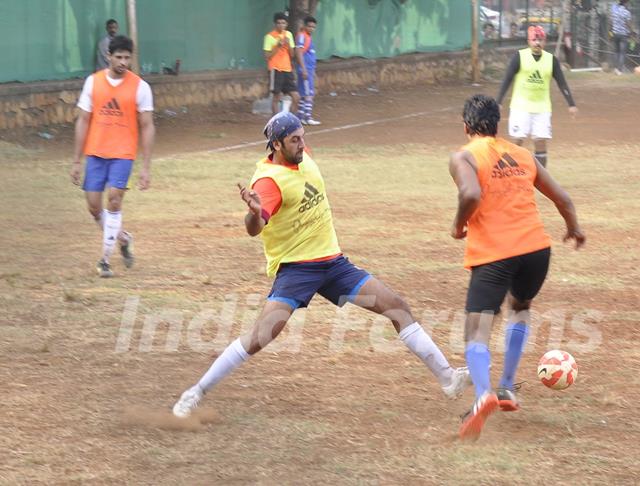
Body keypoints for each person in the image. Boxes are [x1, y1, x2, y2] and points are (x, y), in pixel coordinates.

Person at [172, 112, 472, 418]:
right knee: (261, 336)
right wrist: (253, 212)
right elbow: (255, 228)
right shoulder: (269, 183)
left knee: (396, 307)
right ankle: (196, 392)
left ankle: (448, 378)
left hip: (333, 266)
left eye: (303, 136)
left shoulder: (301, 156)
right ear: (276, 144)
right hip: (298, 270)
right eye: (294, 139)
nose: (302, 144)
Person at [448, 94, 585, 440]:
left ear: (465, 126)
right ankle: (507, 386)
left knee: (475, 330)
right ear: (498, 125)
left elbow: (471, 196)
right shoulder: (523, 154)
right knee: (520, 307)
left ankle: (484, 395)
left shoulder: (463, 155)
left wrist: (458, 225)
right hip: (536, 251)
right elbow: (563, 198)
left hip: (497, 253)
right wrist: (574, 228)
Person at [70, 35, 155, 278]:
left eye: (127, 57)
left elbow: (147, 125)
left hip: (123, 154)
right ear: (109, 56)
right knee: (94, 208)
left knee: (115, 201)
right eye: (119, 57)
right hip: (95, 153)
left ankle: (105, 260)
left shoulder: (141, 87)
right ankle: (122, 237)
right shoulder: (93, 83)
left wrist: (146, 167)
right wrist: (77, 161)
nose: (123, 62)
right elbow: (83, 120)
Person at [496, 26, 578, 168]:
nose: (537, 43)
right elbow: (507, 79)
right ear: (528, 41)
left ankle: (541, 178)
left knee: (540, 141)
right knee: (517, 140)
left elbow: (562, 83)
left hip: (542, 108)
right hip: (520, 107)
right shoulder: (519, 57)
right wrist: (499, 101)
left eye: (540, 40)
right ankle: (505, 173)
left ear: (544, 41)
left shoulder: (551, 60)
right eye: (534, 40)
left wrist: (571, 104)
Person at [263, 12, 300, 115]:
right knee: (276, 97)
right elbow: (267, 56)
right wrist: (278, 46)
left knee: (296, 97)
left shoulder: (288, 35)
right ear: (275, 24)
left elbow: (292, 54)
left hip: (287, 69)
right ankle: (276, 122)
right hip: (275, 69)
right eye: (278, 23)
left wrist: (288, 45)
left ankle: (290, 120)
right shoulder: (269, 37)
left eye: (283, 23)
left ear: (286, 24)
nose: (281, 25)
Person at [295, 15, 321, 125]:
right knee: (309, 94)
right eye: (309, 26)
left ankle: (301, 117)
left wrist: (312, 71)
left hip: (309, 70)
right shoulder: (302, 36)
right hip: (305, 70)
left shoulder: (308, 37)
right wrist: (304, 69)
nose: (311, 29)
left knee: (303, 93)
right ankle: (308, 117)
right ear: (305, 26)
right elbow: (299, 52)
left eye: (313, 27)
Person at [610, 0, 632, 75]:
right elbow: (628, 24)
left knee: (616, 51)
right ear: (625, 3)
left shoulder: (614, 10)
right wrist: (632, 31)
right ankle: (620, 70)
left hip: (615, 33)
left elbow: (611, 21)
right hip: (623, 34)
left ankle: (615, 68)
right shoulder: (627, 12)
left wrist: (611, 31)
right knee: (622, 53)